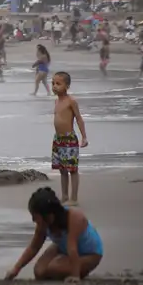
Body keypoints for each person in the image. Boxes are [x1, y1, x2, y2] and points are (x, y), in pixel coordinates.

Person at [4, 187, 102, 283]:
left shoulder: (74, 217)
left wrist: (75, 275)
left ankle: (80, 269)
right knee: (39, 271)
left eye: (35, 216)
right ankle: (66, 265)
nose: (33, 220)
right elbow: (33, 247)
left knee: (54, 267)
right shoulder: (43, 224)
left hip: (90, 253)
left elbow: (72, 248)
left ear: (49, 215)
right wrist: (16, 269)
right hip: (63, 247)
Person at [51, 71, 88, 205]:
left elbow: (78, 119)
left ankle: (74, 198)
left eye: (58, 83)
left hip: (69, 139)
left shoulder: (71, 101)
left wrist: (84, 137)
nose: (54, 86)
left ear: (67, 86)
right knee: (62, 169)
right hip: (58, 139)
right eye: (53, 83)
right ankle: (65, 196)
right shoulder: (56, 101)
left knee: (72, 169)